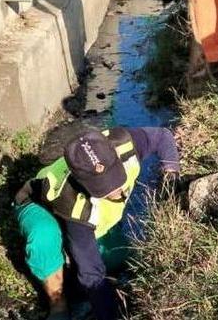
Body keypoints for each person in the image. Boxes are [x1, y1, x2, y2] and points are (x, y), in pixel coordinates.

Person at [14, 127, 180, 320]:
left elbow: (162, 136)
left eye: (115, 178)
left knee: (119, 258)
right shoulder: (74, 204)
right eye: (104, 187)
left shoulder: (124, 143)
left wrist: (171, 176)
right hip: (39, 205)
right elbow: (91, 273)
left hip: (86, 216)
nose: (117, 190)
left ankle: (69, 251)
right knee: (45, 237)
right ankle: (57, 304)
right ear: (82, 182)